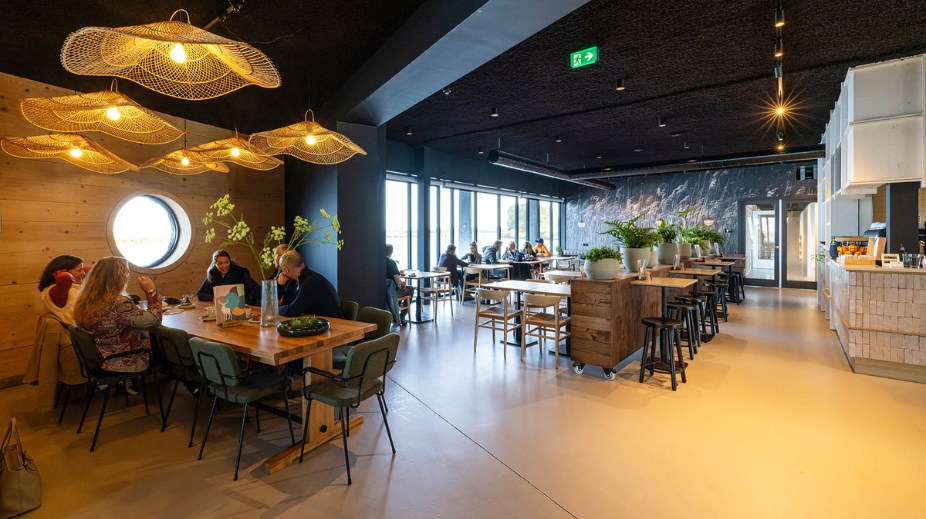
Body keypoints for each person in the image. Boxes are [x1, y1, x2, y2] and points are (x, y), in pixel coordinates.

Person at [73, 257, 162, 372]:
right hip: (123, 360)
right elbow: (155, 319)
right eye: (126, 273)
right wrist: (151, 291)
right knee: (166, 347)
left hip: (101, 358)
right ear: (118, 277)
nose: (128, 277)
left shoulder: (86, 300)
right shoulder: (118, 303)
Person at [277, 251, 341, 318]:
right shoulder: (294, 282)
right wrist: (281, 285)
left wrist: (275, 309)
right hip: (313, 321)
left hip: (332, 322)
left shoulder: (313, 281)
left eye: (281, 269)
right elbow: (284, 303)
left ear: (286, 269)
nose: (282, 273)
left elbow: (291, 311)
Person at [196, 250, 261, 306]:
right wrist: (213, 298)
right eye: (220, 263)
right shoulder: (213, 274)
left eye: (226, 262)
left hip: (246, 306)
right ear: (215, 264)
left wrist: (246, 301)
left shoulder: (240, 271)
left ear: (230, 261)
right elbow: (200, 294)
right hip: (225, 307)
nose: (224, 266)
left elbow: (256, 289)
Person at [37, 255, 87, 325]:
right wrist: (61, 273)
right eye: (79, 270)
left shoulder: (76, 288)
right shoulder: (57, 290)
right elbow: (65, 278)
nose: (83, 273)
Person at [386, 244, 412, 325]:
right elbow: (398, 282)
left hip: (382, 292)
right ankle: (402, 316)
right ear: (391, 252)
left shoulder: (377, 262)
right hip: (391, 293)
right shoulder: (391, 263)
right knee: (410, 289)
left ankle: (398, 313)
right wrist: (403, 283)